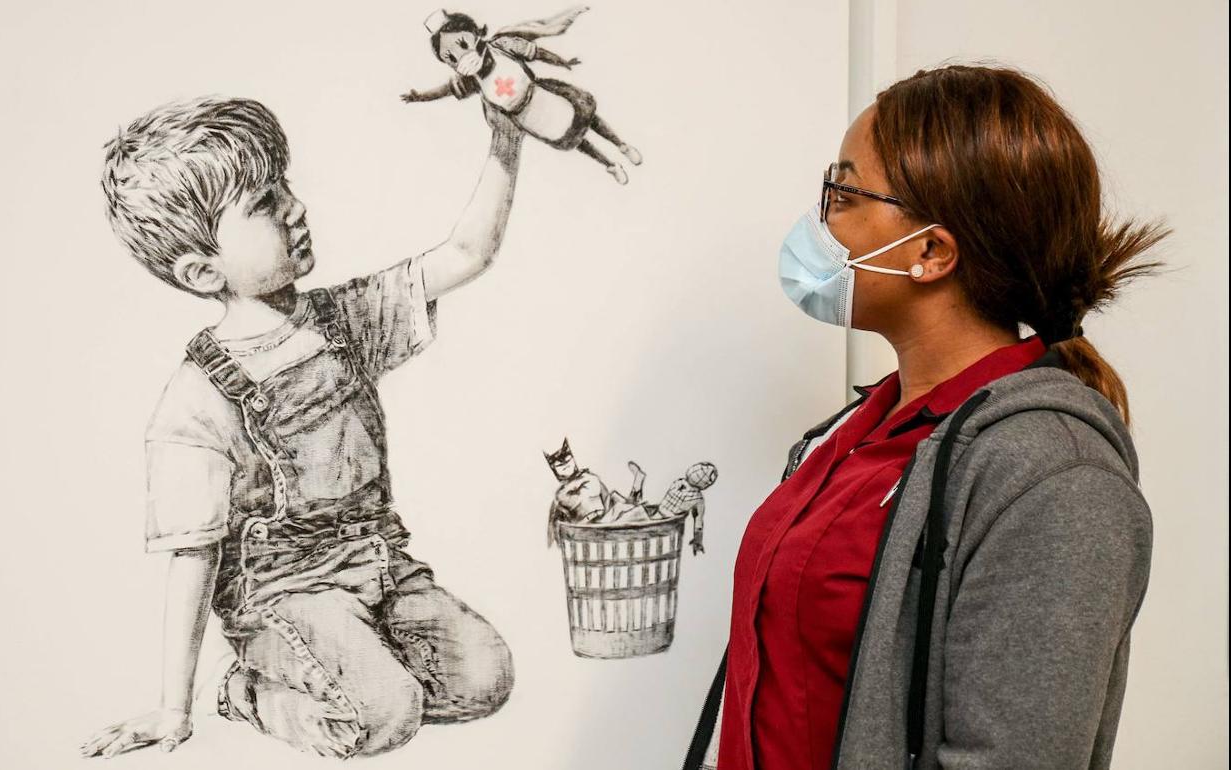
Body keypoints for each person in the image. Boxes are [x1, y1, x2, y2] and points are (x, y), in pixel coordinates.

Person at [684, 63, 1172, 770]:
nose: (819, 223)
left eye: (843, 194)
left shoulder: (1057, 477)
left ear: (932, 252)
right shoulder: (856, 434)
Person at [81, 95, 525, 759]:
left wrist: (505, 141)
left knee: (483, 680)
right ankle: (246, 692)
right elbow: (193, 556)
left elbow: (465, 254)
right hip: (282, 597)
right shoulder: (197, 400)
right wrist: (174, 708)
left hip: (380, 565)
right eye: (265, 203)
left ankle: (360, 665)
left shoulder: (346, 320)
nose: (296, 207)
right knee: (386, 716)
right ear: (202, 271)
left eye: (285, 186)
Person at [402, 7, 643, 185]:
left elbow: (536, 52)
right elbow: (444, 90)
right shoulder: (469, 81)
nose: (462, 58)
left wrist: (563, 62)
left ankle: (621, 145)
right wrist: (420, 96)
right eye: (451, 58)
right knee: (573, 138)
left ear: (475, 32)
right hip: (529, 118)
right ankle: (610, 165)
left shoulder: (501, 45)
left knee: (586, 116)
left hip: (543, 94)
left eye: (463, 45)